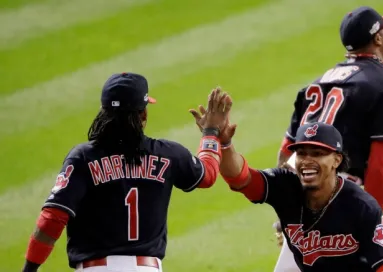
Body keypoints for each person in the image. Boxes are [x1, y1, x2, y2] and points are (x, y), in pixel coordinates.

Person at [21, 74, 231, 272]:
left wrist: (29, 269)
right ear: (144, 113)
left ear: (103, 112)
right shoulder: (168, 154)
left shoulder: (83, 157)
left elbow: (51, 220)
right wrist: (210, 133)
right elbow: (207, 174)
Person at [274, 6, 383, 271]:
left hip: (302, 191)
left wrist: (285, 208)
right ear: (378, 39)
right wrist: (373, 216)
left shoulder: (317, 83)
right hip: (340, 193)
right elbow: (382, 163)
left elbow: (286, 152)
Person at [213, 119, 383, 271]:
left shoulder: (360, 205)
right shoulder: (285, 186)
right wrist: (224, 144)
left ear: (336, 160)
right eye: (302, 153)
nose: (307, 161)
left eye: (317, 153)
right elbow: (240, 178)